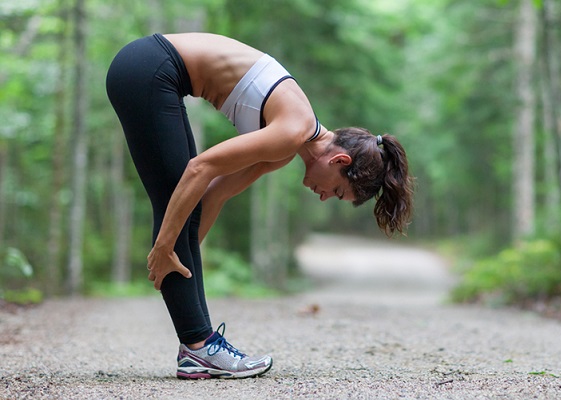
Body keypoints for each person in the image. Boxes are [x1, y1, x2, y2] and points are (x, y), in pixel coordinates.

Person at [105, 32, 414, 379]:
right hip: (150, 67)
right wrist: (165, 245)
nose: (325, 197)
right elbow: (200, 169)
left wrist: (186, 256)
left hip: (150, 70)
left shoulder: (285, 147)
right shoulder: (292, 130)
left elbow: (213, 195)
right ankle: (198, 348)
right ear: (340, 160)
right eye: (338, 192)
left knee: (181, 208)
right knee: (174, 199)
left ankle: (198, 347)